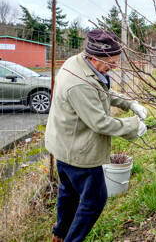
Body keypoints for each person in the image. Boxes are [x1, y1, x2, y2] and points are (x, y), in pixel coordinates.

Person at [45, 29, 148, 242]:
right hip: (77, 151)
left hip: (62, 144)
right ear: (94, 57)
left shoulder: (80, 63)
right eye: (112, 61)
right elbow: (99, 122)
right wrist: (133, 126)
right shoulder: (79, 83)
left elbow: (102, 91)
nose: (116, 66)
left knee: (69, 193)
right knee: (94, 200)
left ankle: (59, 235)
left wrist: (129, 103)